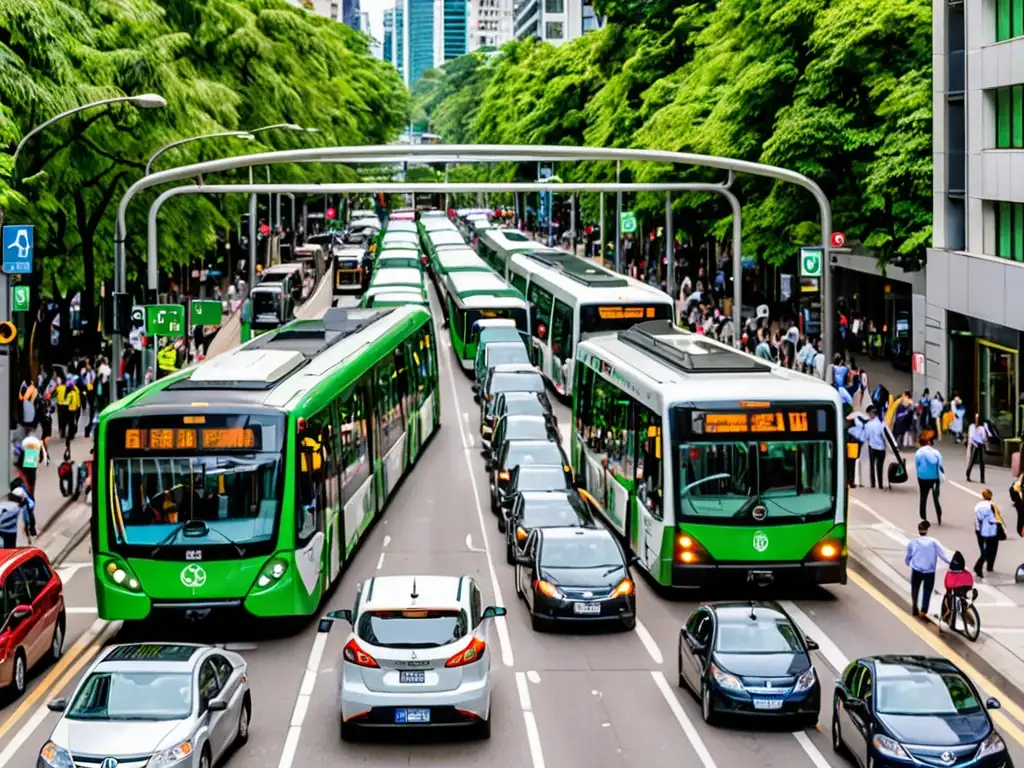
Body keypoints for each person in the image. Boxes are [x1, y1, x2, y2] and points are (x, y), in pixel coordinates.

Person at [905, 519, 949, 618]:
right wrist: (950, 562)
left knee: (915, 588)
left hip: (916, 569)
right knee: (927, 590)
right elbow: (942, 555)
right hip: (929, 570)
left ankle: (915, 605)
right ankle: (923, 610)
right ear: (927, 530)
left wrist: (908, 562)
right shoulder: (933, 542)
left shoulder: (913, 542)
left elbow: (908, 557)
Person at [914, 436, 945, 524]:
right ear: (928, 443)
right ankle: (939, 515)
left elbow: (917, 465)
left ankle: (923, 517)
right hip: (935, 478)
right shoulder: (936, 452)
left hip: (923, 478)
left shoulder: (919, 453)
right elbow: (941, 465)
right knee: (936, 498)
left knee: (923, 497)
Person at [974, 489, 1002, 578]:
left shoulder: (977, 506)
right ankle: (986, 566)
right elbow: (997, 519)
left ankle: (980, 565)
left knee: (983, 550)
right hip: (991, 531)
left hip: (979, 530)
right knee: (992, 549)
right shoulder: (993, 506)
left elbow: (977, 519)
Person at [863, 406, 887, 489]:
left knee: (872, 466)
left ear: (870, 414)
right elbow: (885, 437)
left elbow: (866, 437)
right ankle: (880, 485)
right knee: (880, 467)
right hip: (881, 448)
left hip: (872, 447)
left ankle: (873, 484)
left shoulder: (868, 425)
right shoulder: (882, 424)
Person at [966, 414, 990, 483]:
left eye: (978, 418)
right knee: (972, 461)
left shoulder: (982, 428)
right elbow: (971, 436)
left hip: (981, 445)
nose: (976, 420)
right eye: (975, 418)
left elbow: (984, 438)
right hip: (974, 444)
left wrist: (986, 440)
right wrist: (970, 444)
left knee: (982, 462)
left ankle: (982, 479)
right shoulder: (972, 427)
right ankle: (968, 475)